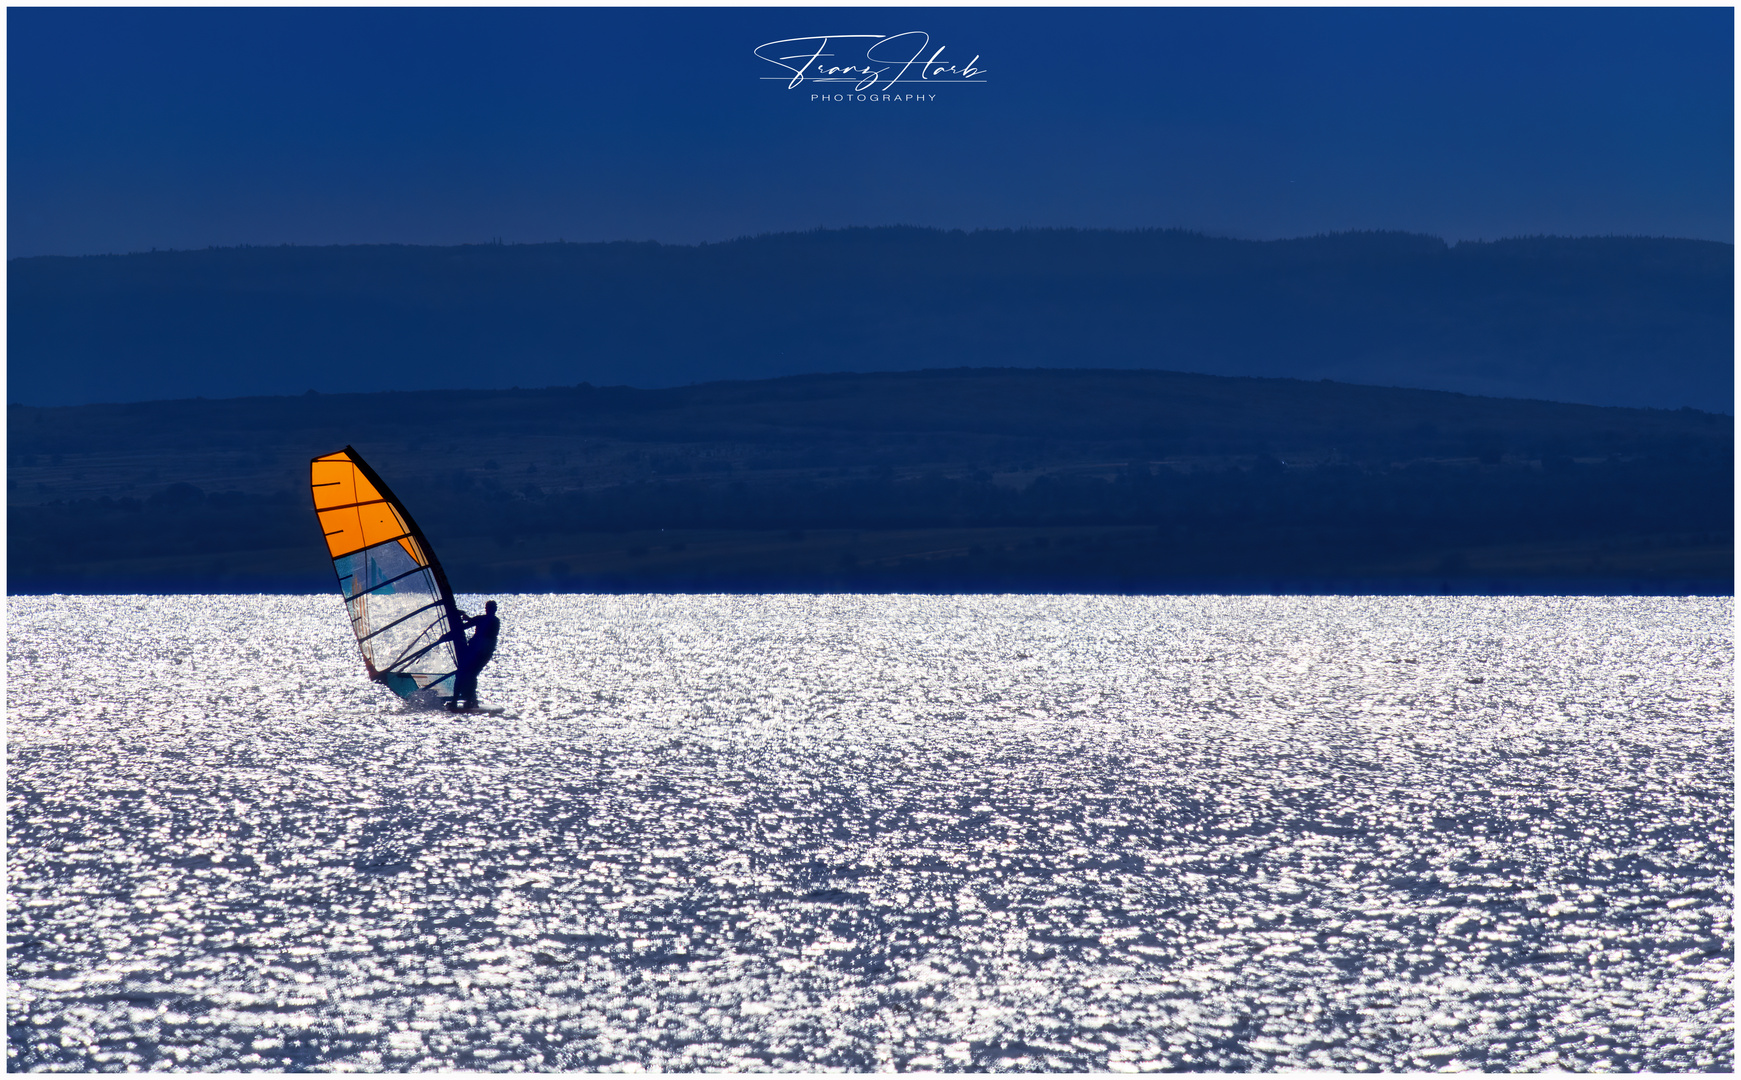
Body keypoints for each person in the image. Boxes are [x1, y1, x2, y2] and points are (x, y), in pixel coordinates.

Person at [449, 600, 500, 711]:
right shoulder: (485, 619)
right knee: (468, 674)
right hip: (480, 652)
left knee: (466, 674)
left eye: (490, 608)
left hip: (481, 653)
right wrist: (466, 618)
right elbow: (471, 623)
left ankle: (466, 700)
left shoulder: (492, 620)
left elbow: (476, 622)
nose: (490, 610)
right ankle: (468, 700)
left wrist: (467, 619)